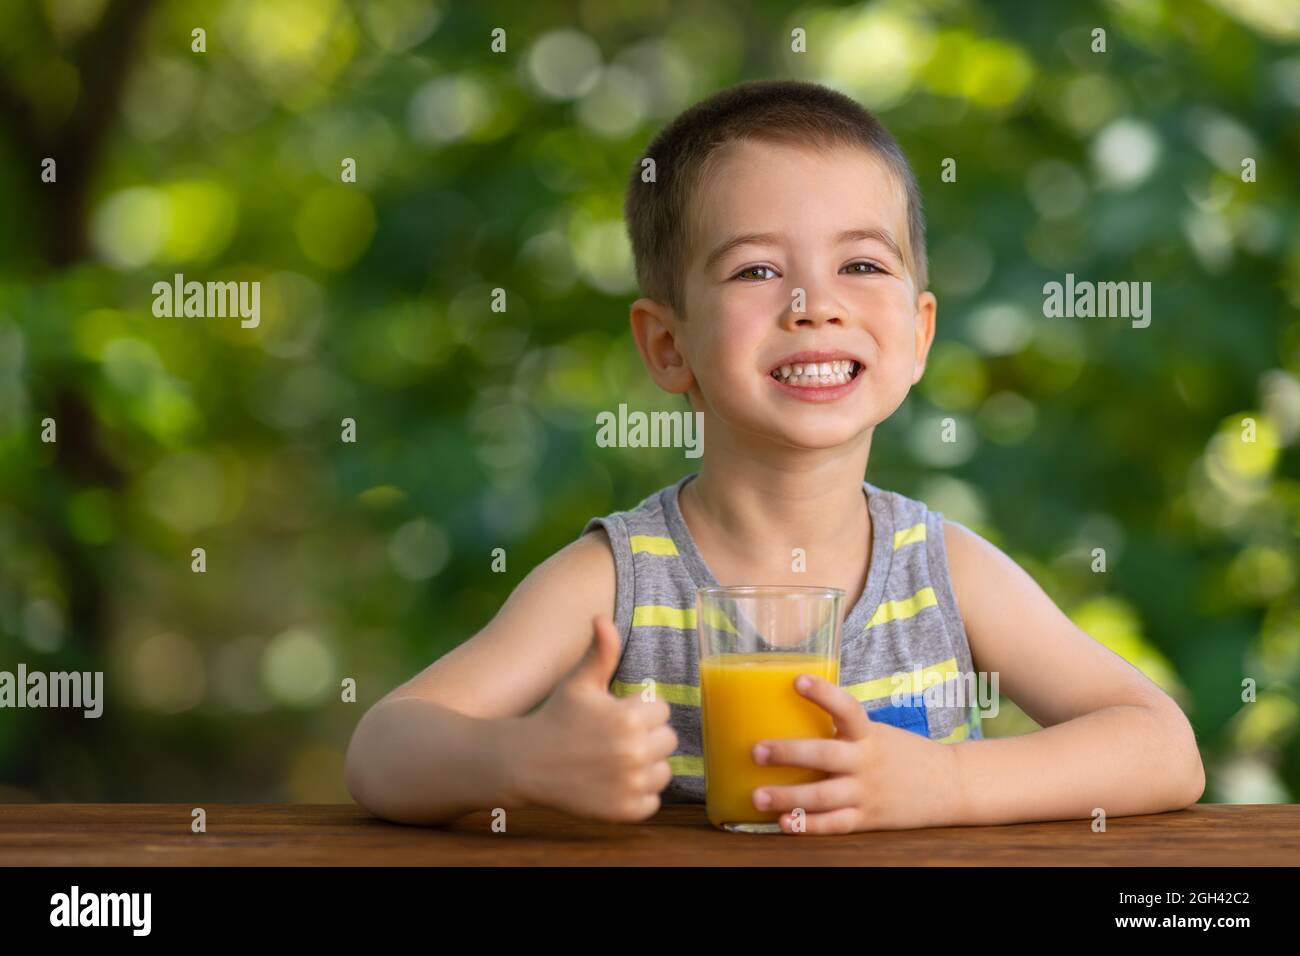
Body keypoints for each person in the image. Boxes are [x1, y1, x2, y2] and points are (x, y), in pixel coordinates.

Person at [345, 79, 1205, 833]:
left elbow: (1164, 748)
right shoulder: (619, 583)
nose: (813, 304)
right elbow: (384, 747)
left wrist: (946, 782)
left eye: (862, 263)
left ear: (918, 335)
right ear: (668, 345)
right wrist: (521, 761)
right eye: (756, 272)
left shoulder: (942, 572)